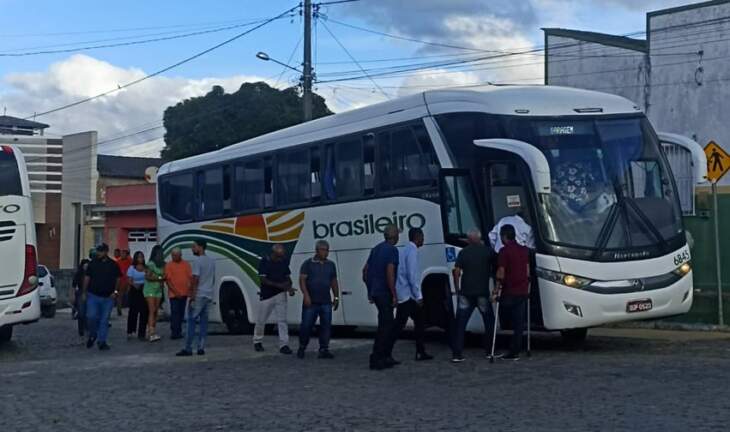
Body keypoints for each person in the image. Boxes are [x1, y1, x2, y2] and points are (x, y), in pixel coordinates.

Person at [385, 227, 433, 362]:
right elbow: (412, 275)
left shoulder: (405, 249)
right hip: (408, 295)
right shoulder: (412, 251)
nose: (423, 239)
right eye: (422, 236)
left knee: (417, 321)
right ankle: (386, 352)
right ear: (417, 237)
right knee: (400, 324)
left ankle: (420, 351)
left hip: (403, 293)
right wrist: (419, 296)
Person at [451, 229, 496, 363]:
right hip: (482, 292)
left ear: (469, 240)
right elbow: (497, 266)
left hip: (466, 292)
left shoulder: (463, 253)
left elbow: (456, 272)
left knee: (460, 324)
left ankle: (457, 354)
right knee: (489, 322)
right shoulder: (487, 251)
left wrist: (457, 288)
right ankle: (489, 351)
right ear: (479, 239)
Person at [362, 224, 400, 370]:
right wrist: (394, 294)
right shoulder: (392, 250)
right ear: (395, 236)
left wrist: (369, 291)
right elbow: (390, 273)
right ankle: (377, 358)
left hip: (376, 292)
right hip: (385, 292)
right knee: (386, 327)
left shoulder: (376, 249)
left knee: (385, 325)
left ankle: (384, 356)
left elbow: (365, 271)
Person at [297, 240, 340, 360]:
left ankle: (324, 349)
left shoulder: (330, 264)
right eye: (323, 250)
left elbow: (333, 281)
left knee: (326, 326)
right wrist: (306, 295)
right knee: (306, 325)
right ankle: (302, 347)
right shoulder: (308, 264)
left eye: (327, 250)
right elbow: (302, 280)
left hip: (325, 301)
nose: (326, 253)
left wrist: (336, 297)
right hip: (311, 301)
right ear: (317, 250)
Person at [494, 224, 531, 361]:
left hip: (510, 290)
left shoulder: (504, 252)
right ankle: (515, 349)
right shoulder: (524, 250)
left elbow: (501, 272)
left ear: (504, 236)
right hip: (522, 290)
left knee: (504, 313)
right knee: (519, 323)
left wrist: (496, 289)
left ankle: (504, 346)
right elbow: (527, 270)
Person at [253, 244, 295, 354]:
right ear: (274, 252)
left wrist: (289, 287)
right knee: (261, 319)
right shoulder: (265, 261)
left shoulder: (283, 261)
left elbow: (288, 277)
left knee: (282, 320)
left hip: (280, 294)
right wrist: (281, 286)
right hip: (267, 294)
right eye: (281, 251)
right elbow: (263, 279)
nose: (283, 253)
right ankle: (257, 341)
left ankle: (284, 344)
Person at [177, 239, 216, 356]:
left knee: (191, 321)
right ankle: (201, 347)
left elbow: (195, 279)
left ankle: (188, 348)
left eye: (194, 246)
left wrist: (192, 296)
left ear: (201, 247)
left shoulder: (197, 261)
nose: (192, 249)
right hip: (208, 294)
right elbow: (213, 278)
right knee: (204, 322)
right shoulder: (211, 261)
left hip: (199, 294)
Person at [83, 243, 121, 351]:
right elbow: (87, 278)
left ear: (105, 252)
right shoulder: (92, 264)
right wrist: (84, 292)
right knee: (91, 316)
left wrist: (116, 291)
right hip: (93, 295)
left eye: (100, 251)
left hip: (108, 297)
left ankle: (102, 341)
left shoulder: (113, 264)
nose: (98, 253)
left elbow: (118, 278)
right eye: (97, 251)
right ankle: (93, 334)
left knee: (104, 320)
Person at [165, 247, 192, 340]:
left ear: (180, 255)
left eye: (176, 255)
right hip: (174, 294)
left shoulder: (186, 264)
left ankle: (178, 331)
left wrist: (190, 290)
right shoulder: (169, 265)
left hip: (184, 293)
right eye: (173, 255)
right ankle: (174, 332)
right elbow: (168, 281)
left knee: (181, 313)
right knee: (175, 313)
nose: (174, 257)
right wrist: (175, 292)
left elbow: (190, 277)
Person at [144, 245, 166, 342]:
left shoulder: (163, 264)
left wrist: (158, 277)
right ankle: (151, 333)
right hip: (150, 289)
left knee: (156, 311)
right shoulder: (150, 264)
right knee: (152, 310)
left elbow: (165, 275)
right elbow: (148, 277)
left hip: (158, 290)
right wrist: (159, 278)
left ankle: (153, 329)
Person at [126, 251, 149, 340]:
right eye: (139, 257)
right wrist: (135, 284)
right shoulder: (132, 268)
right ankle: (130, 331)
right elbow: (129, 280)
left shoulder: (146, 267)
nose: (140, 259)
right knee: (133, 311)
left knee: (144, 311)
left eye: (142, 257)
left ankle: (142, 333)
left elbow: (148, 277)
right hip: (134, 290)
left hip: (144, 290)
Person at [71, 259, 90, 337]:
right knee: (81, 312)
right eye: (84, 265)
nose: (86, 267)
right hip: (80, 292)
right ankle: (81, 329)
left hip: (90, 293)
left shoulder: (92, 273)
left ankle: (87, 328)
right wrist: (72, 295)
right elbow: (73, 285)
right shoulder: (78, 274)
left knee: (88, 313)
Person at [115, 249, 132, 317]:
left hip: (128, 280)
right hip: (121, 281)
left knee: (130, 295)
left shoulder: (130, 261)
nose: (122, 255)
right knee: (120, 296)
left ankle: (131, 308)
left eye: (124, 253)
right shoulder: (118, 261)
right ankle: (119, 309)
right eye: (122, 253)